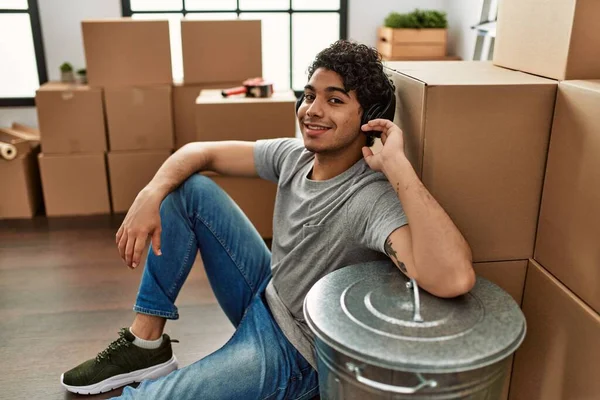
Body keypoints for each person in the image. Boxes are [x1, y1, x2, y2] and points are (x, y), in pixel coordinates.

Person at [60, 40, 475, 399]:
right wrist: (148, 194)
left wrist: (398, 166)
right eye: (309, 95)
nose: (312, 111)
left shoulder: (370, 198)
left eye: (335, 100)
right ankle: (145, 343)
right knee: (188, 189)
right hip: (266, 293)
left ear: (370, 118)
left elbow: (455, 278)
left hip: (293, 352)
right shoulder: (295, 157)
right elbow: (199, 152)